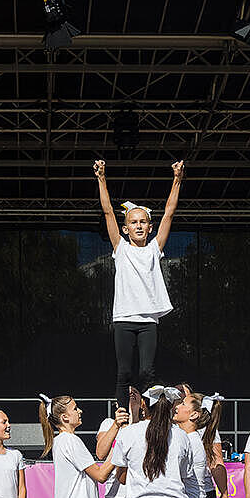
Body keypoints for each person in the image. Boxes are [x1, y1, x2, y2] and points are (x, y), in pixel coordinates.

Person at [94, 159, 185, 408]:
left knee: (147, 372)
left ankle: (150, 415)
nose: (138, 226)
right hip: (124, 317)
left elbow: (169, 212)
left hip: (147, 320)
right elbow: (108, 212)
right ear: (125, 229)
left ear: (150, 226)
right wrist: (102, 178)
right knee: (124, 373)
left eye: (143, 222)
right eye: (133, 222)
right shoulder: (120, 248)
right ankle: (122, 416)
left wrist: (177, 180)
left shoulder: (155, 248)